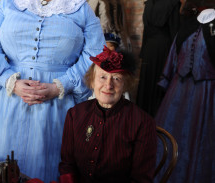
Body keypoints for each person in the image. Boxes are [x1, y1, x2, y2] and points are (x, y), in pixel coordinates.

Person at [0, 0, 105, 182]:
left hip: (58, 109)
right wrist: (9, 81)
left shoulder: (80, 8)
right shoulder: (7, 5)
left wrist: (62, 85)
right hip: (6, 106)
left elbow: (96, 53)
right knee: (0, 170)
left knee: (50, 170)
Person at [59, 46, 157, 183]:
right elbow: (67, 166)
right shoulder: (75, 115)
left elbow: (141, 179)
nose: (108, 85)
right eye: (102, 77)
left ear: (125, 84)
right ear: (92, 80)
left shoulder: (143, 123)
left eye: (116, 78)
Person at [155, 0, 215, 182]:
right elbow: (174, 55)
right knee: (172, 138)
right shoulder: (187, 26)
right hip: (178, 93)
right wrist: (165, 81)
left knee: (203, 142)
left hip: (208, 94)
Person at [136, 0, 181, 117]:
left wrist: (143, 53)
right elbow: (175, 32)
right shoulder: (173, 3)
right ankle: (158, 117)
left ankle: (143, 116)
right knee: (159, 83)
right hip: (164, 49)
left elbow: (146, 31)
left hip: (149, 49)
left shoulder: (149, 3)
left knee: (147, 83)